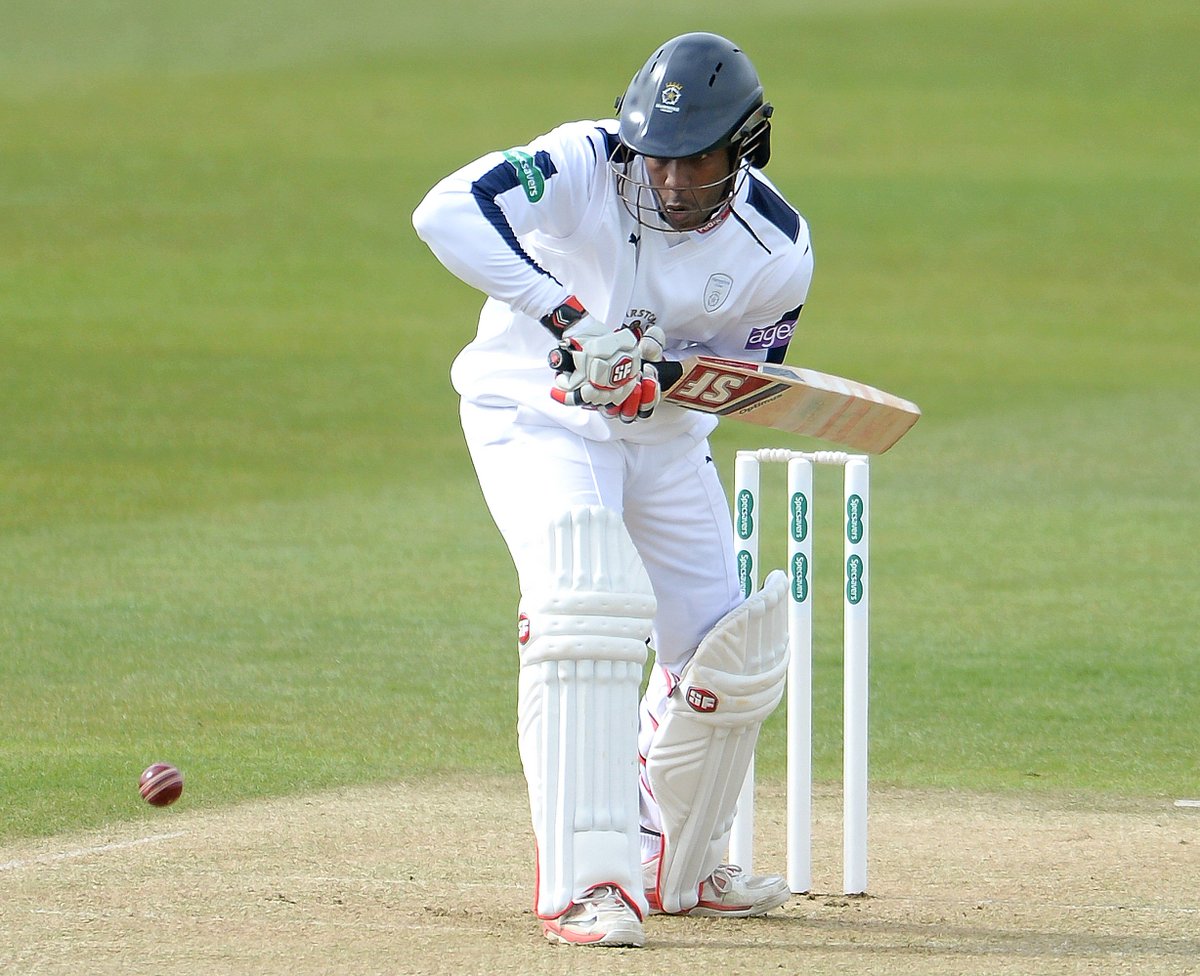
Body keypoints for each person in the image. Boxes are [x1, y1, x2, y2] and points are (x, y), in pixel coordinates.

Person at [412, 32, 813, 948]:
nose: (669, 181)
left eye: (696, 160)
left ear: (744, 149)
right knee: (585, 606)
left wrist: (656, 378)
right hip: (536, 417)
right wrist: (569, 320)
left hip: (665, 441)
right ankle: (588, 887)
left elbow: (746, 374)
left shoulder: (777, 248)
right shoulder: (583, 159)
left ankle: (683, 862)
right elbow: (444, 212)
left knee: (732, 650)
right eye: (657, 157)